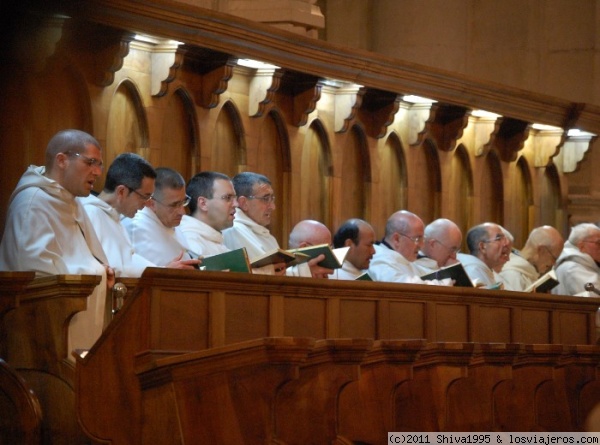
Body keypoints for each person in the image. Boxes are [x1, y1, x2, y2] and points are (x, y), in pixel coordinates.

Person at [0, 129, 114, 354]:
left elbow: (88, 255)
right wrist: (95, 272)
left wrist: (103, 270)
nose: (98, 172)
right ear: (62, 160)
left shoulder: (71, 201)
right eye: (91, 162)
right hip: (42, 334)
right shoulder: (32, 203)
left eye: (100, 164)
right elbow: (35, 277)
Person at [81, 153, 198, 277]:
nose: (147, 204)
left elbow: (129, 260)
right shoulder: (91, 214)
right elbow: (115, 268)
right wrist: (161, 273)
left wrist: (163, 271)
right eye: (145, 196)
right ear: (122, 192)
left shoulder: (113, 217)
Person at [222, 171, 331, 277]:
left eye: (272, 199)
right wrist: (302, 271)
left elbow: (277, 272)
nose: (272, 207)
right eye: (266, 199)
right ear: (244, 203)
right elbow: (246, 278)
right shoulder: (232, 231)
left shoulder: (268, 237)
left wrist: (304, 269)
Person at [122, 167, 196, 267]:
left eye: (183, 202)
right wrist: (167, 271)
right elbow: (137, 275)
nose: (182, 212)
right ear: (151, 203)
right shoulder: (137, 226)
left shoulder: (168, 220)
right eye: (174, 205)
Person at [368, 210, 449, 284]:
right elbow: (403, 287)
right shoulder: (379, 260)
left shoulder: (406, 259)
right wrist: (443, 284)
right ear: (397, 239)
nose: (421, 245)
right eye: (417, 239)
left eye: (422, 239)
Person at [179, 171, 238, 258]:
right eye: (228, 198)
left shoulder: (212, 238)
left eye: (234, 198)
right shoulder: (190, 241)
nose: (236, 204)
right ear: (203, 204)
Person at [499, 225, 564, 292]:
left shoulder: (529, 272)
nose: (553, 263)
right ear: (541, 250)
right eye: (554, 258)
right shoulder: (511, 275)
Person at [552, 223, 600, 296]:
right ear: (581, 246)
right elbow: (594, 297)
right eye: (598, 243)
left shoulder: (580, 264)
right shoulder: (573, 268)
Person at [458, 222, 511, 288]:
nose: (506, 243)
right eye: (499, 239)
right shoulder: (472, 271)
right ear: (482, 247)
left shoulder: (484, 269)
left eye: (504, 238)